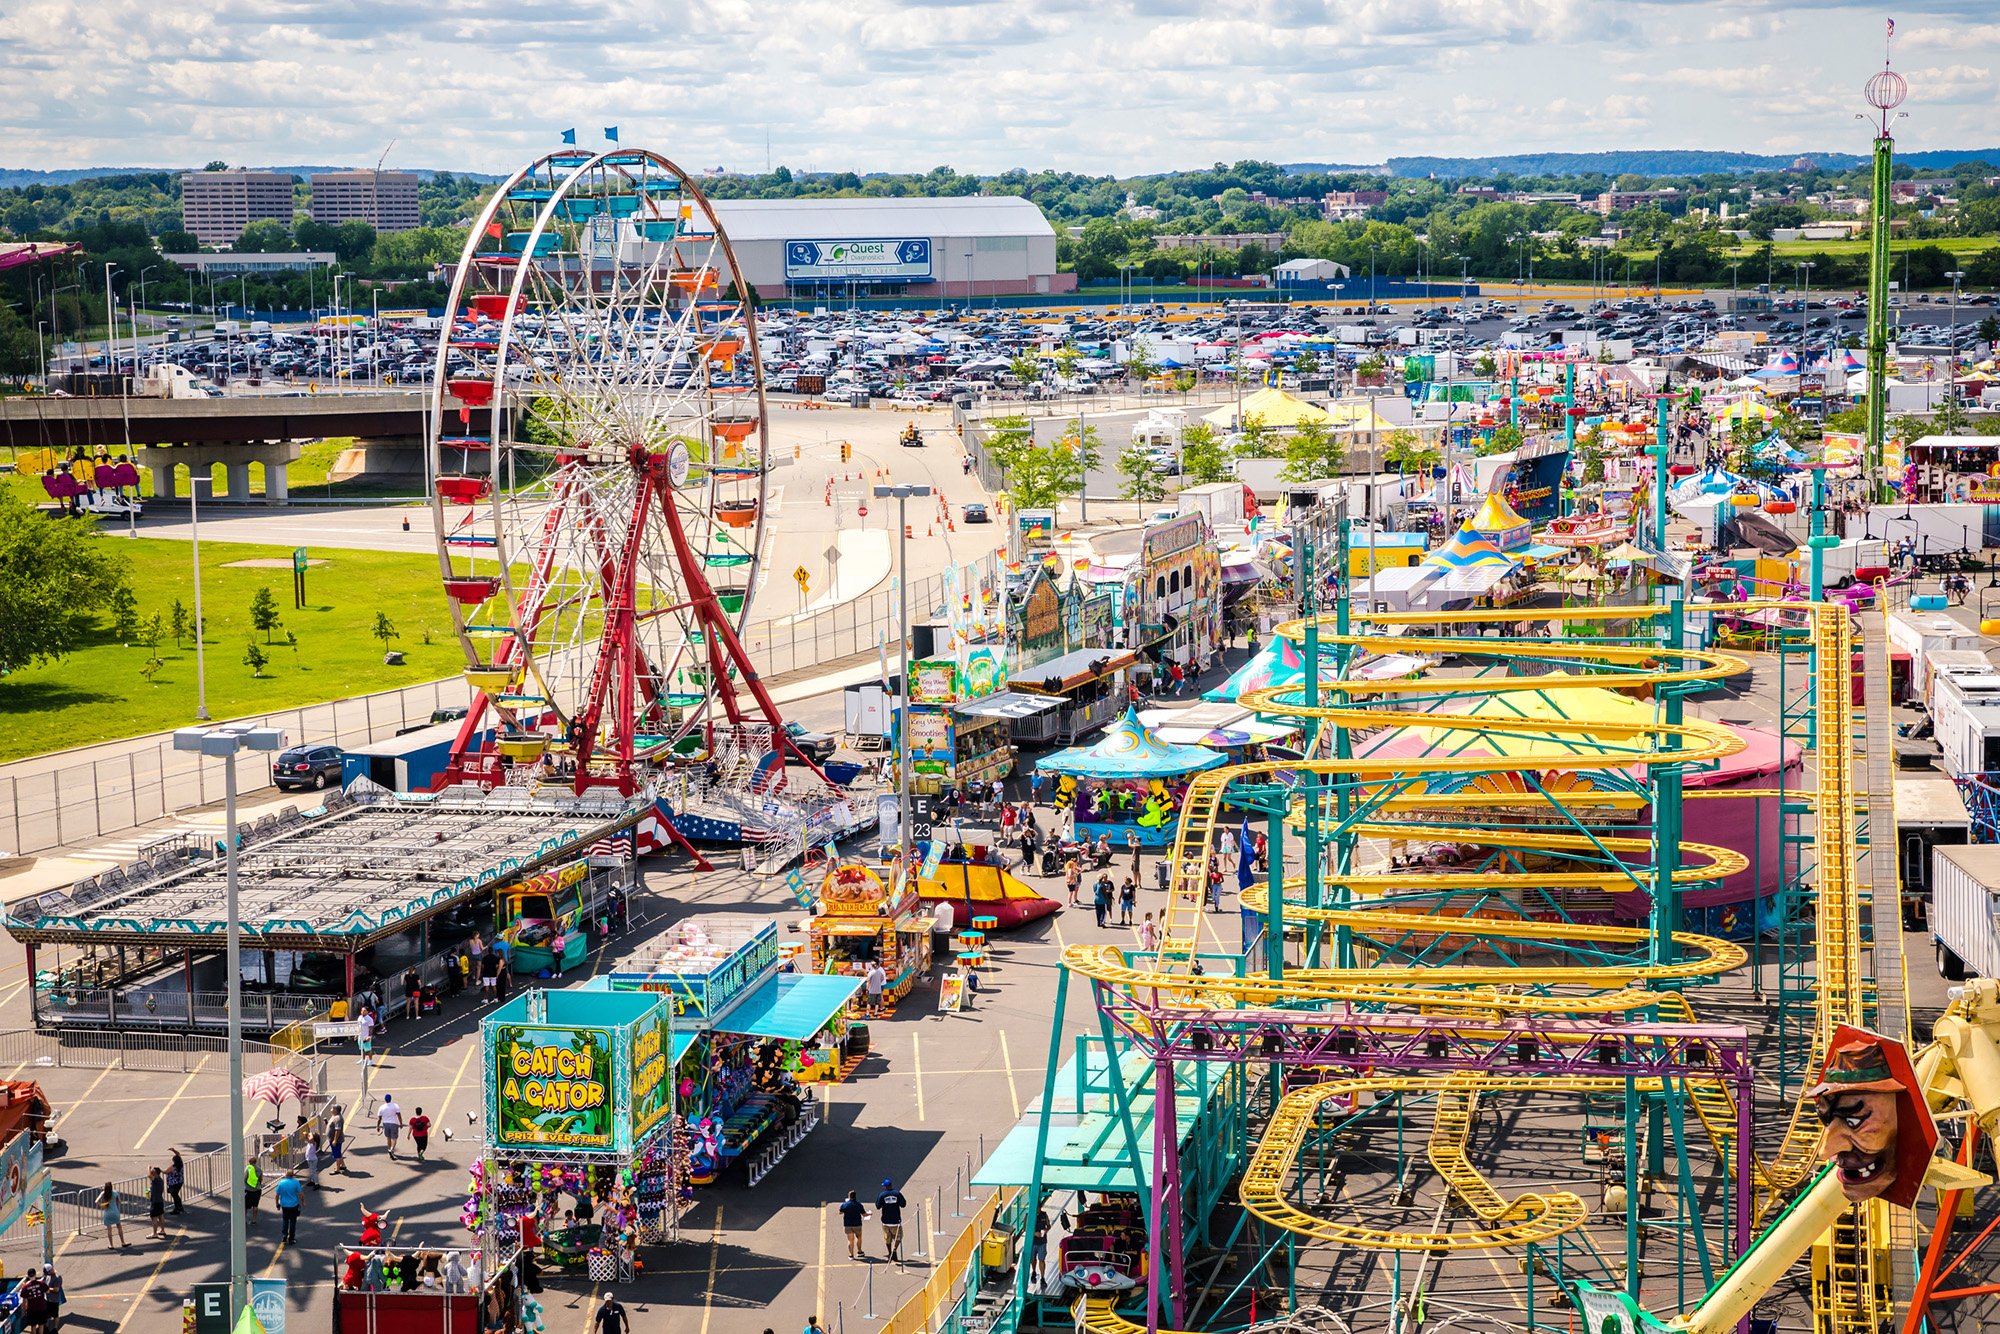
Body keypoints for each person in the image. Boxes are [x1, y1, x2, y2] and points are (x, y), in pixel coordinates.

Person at [875, 1180, 908, 1262]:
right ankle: (894, 1249)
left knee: (887, 1239)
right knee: (899, 1236)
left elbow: (878, 1206)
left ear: (885, 1186)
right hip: (896, 1220)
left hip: (886, 1221)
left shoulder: (882, 1195)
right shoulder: (897, 1193)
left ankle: (890, 1252)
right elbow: (903, 1204)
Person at [275, 1170, 304, 1244]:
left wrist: (277, 1203)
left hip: (284, 1205)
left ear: (286, 1175)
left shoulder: (281, 1183)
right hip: (293, 1205)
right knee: (293, 1221)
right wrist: (303, 1201)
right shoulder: (296, 1182)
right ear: (292, 1175)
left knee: (285, 1220)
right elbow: (300, 1194)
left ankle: (284, 1236)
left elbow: (277, 1195)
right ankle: (291, 1238)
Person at [838, 1190, 868, 1259]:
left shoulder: (845, 1204)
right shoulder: (858, 1204)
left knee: (850, 1240)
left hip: (848, 1224)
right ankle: (859, 1251)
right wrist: (870, 1214)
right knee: (859, 1237)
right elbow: (864, 1214)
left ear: (849, 1197)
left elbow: (840, 1212)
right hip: (857, 1224)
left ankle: (851, 1254)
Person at [146, 1166, 166, 1239]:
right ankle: (162, 1230)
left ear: (156, 1173)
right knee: (160, 1215)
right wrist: (151, 1190)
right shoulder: (160, 1180)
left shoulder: (156, 1179)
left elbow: (149, 1176)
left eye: (153, 1171)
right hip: (160, 1200)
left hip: (155, 1201)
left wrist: (148, 1168)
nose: (151, 1172)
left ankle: (154, 1233)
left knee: (154, 1217)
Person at [166, 1149, 185, 1214]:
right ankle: (180, 1207)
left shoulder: (173, 1167)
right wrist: (173, 1150)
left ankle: (177, 1208)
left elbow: (166, 1172)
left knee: (175, 1195)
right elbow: (178, 1154)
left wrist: (159, 1170)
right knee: (176, 1195)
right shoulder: (180, 1164)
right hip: (180, 1181)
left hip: (173, 1183)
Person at [243, 1159, 262, 1225]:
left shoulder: (248, 1169)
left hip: (248, 1189)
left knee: (245, 1206)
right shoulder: (259, 1169)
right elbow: (260, 1179)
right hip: (257, 1189)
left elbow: (245, 1178)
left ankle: (244, 1220)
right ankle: (254, 1220)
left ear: (250, 1162)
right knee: (255, 1205)